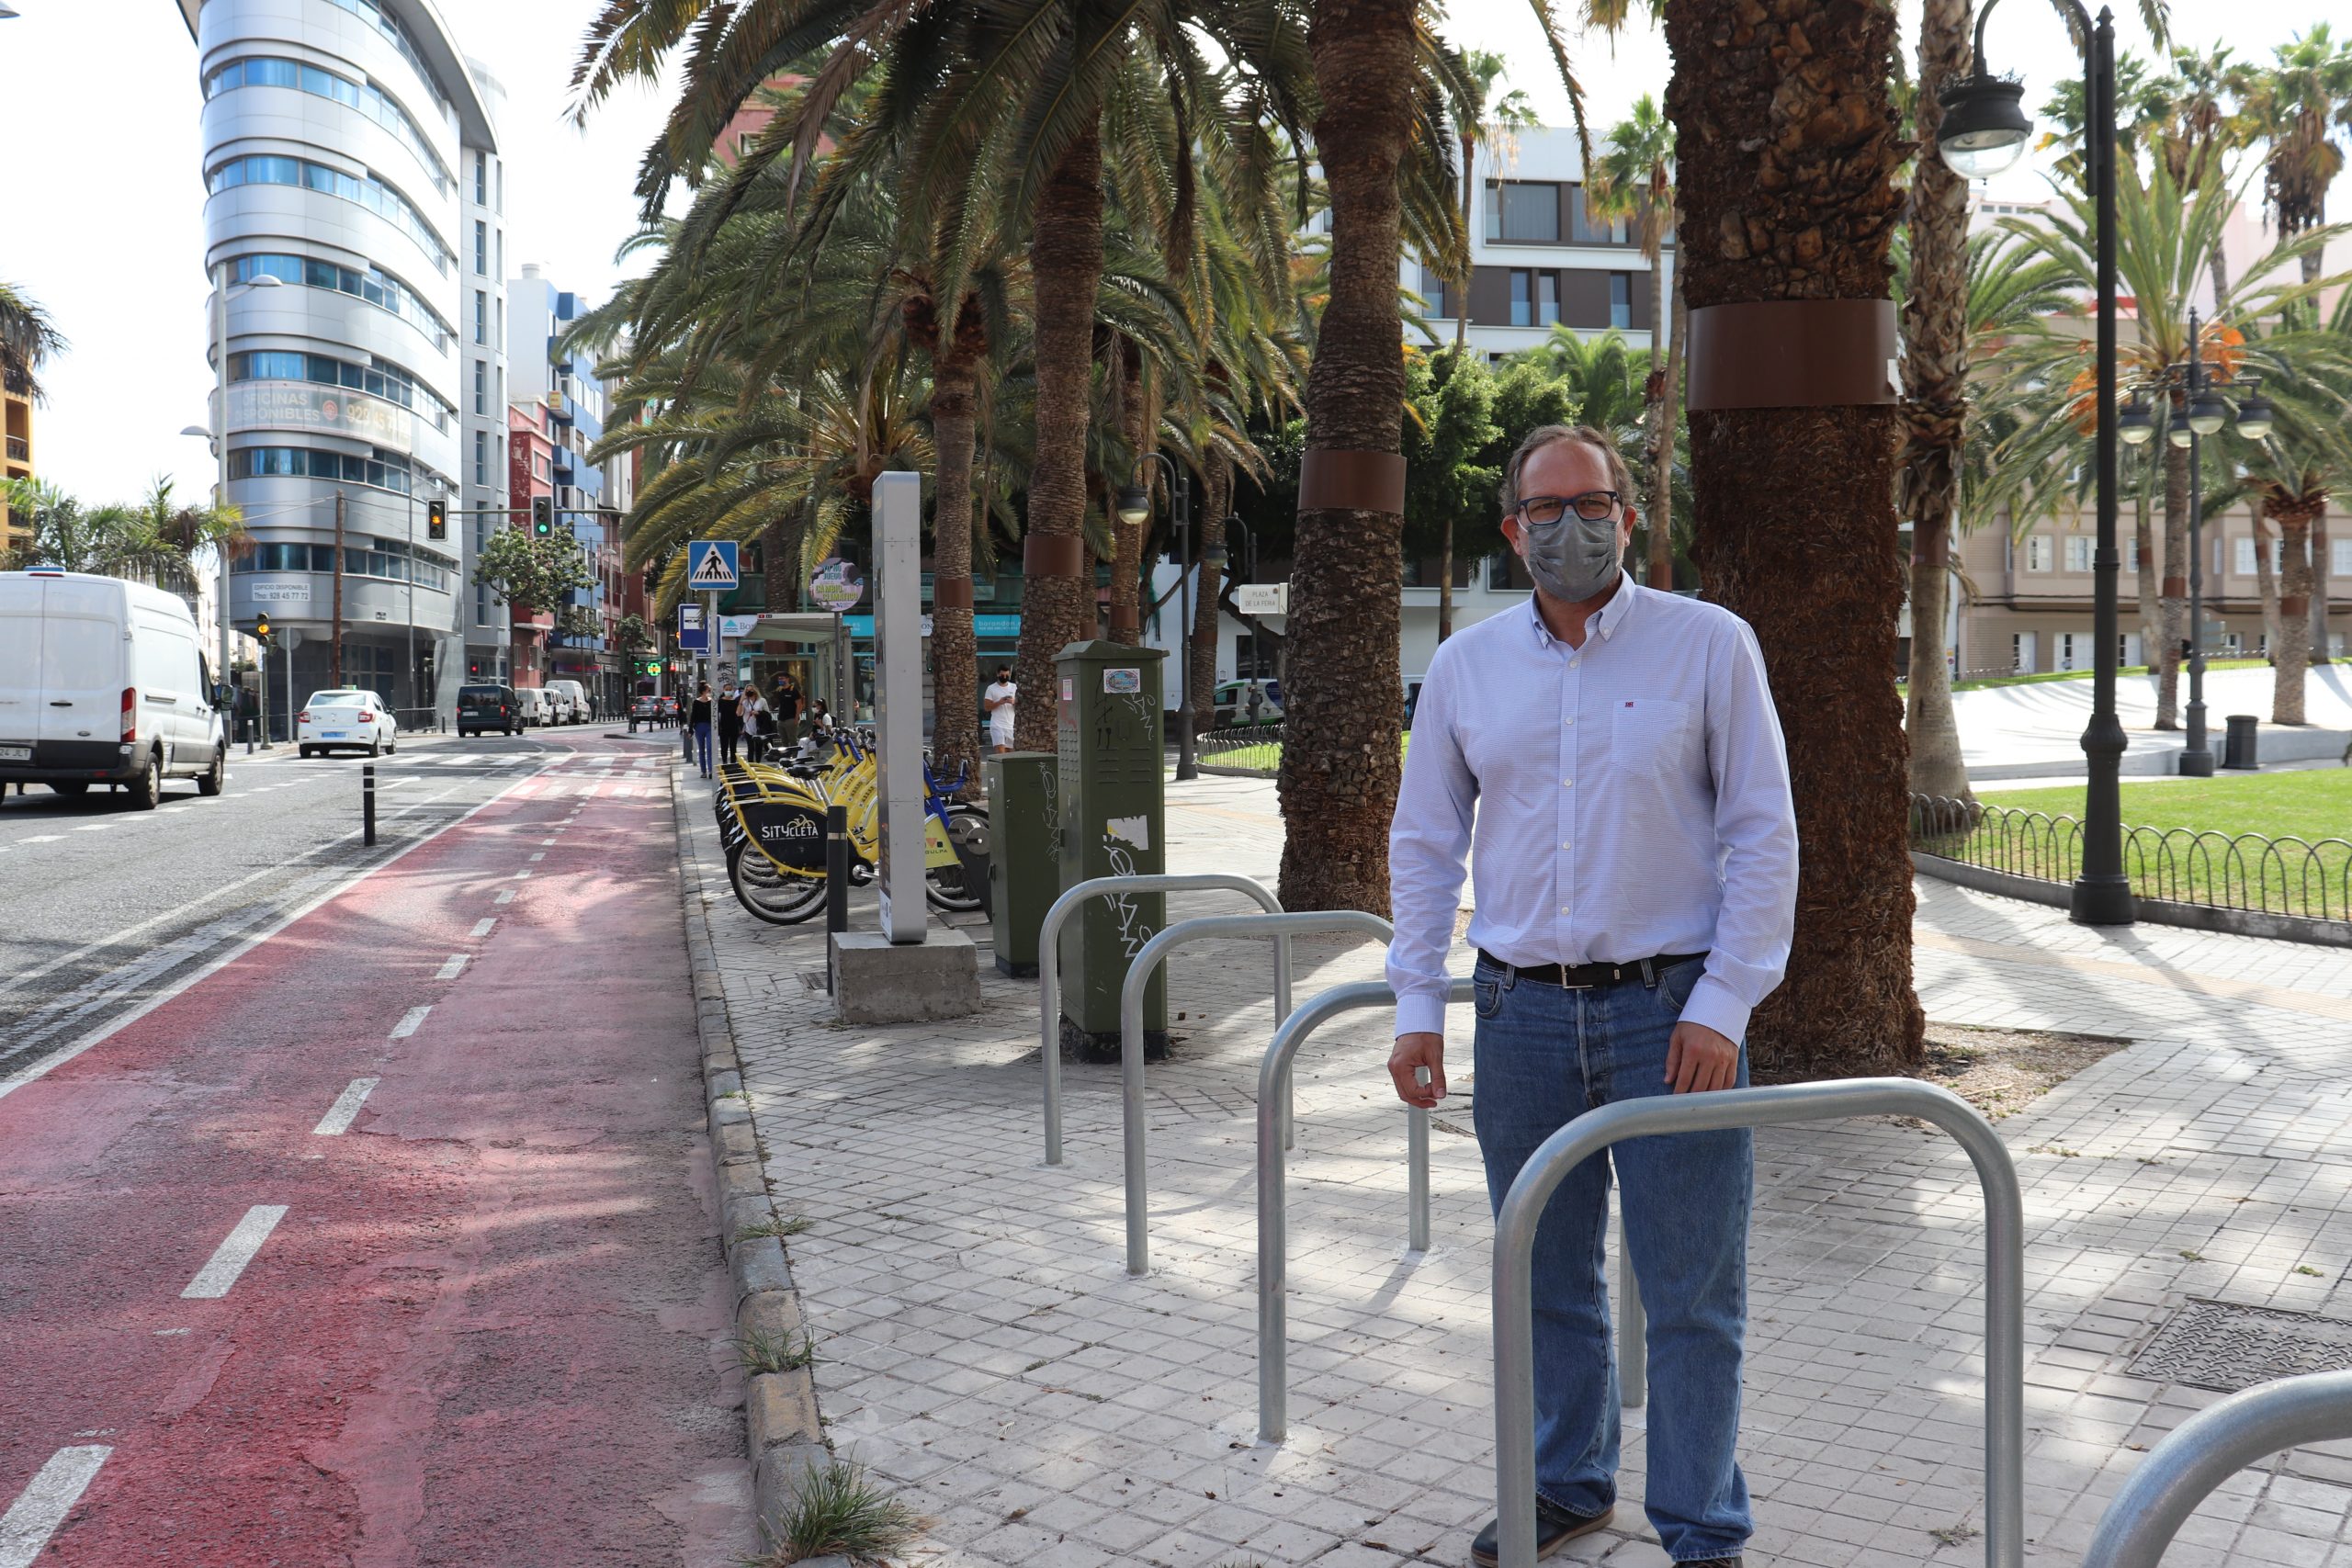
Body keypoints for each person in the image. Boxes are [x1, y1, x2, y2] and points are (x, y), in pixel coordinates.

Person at [1385, 424, 1798, 1568]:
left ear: (1631, 512)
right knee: (1544, 1278)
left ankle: (1702, 1527)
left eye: (1593, 502)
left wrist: (1724, 1003)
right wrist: (1416, 1003)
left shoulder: (1709, 646)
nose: (1573, 527)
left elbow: (1765, 833)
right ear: (1513, 529)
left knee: (1691, 1294)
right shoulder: (1468, 668)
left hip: (1672, 1018)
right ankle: (1567, 1486)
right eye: (1547, 509)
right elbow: (1424, 842)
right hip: (1518, 1019)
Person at [983, 665, 1018, 753]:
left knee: (1010, 752)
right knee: (1000, 751)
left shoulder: (1014, 687)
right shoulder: (991, 688)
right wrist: (999, 702)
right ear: (998, 674)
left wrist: (1013, 702)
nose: (1004, 677)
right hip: (997, 724)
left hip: (1011, 725)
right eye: (1002, 675)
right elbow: (987, 707)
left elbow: (1022, 705)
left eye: (1006, 675)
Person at [688, 682, 715, 778]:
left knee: (710, 748)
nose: (710, 692)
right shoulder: (696, 702)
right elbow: (693, 716)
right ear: (703, 692)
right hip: (699, 727)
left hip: (709, 727)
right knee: (701, 749)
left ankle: (711, 770)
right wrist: (690, 730)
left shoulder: (712, 702)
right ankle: (703, 771)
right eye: (709, 690)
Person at [717, 682, 744, 765]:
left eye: (730, 689)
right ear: (723, 690)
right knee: (724, 746)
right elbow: (716, 714)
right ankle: (724, 761)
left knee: (733, 747)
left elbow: (739, 715)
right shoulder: (720, 701)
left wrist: (741, 727)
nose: (728, 691)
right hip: (723, 726)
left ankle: (733, 762)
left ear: (733, 690)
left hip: (734, 726)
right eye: (726, 689)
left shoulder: (735, 701)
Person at [742, 683, 771, 764]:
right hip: (748, 726)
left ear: (755, 691)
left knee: (758, 747)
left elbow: (767, 714)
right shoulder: (745, 702)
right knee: (750, 747)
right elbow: (740, 713)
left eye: (750, 690)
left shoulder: (762, 700)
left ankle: (758, 763)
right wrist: (741, 700)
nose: (749, 692)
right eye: (747, 690)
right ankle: (751, 765)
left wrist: (758, 713)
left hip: (759, 726)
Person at [774, 676, 803, 751]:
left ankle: (795, 757)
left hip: (791, 719)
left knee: (793, 740)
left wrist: (796, 718)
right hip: (781, 719)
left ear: (787, 679)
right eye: (779, 679)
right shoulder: (779, 690)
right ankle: (786, 757)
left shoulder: (793, 690)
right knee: (784, 741)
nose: (780, 680)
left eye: (782, 678)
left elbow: (799, 705)